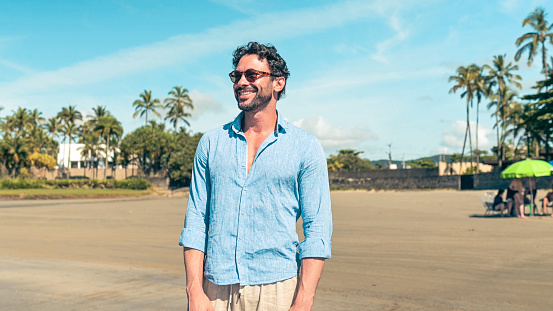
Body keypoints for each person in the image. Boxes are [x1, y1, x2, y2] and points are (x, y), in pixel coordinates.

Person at [179, 42, 332, 311]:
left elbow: (317, 229)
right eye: (236, 76)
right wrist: (194, 290)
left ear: (278, 83)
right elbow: (195, 222)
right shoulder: (211, 143)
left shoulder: (305, 147)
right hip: (214, 287)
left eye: (252, 75)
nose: (241, 82)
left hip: (277, 290)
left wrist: (304, 300)